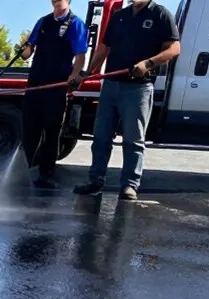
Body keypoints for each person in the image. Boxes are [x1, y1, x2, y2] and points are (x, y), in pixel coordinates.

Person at [72, 0, 181, 200]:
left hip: (138, 89)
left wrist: (148, 64)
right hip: (111, 85)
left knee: (133, 140)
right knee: (101, 137)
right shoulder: (119, 16)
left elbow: (174, 48)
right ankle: (95, 180)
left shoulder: (161, 14)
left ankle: (130, 185)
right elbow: (104, 48)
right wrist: (87, 72)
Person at [19, 0, 89, 190]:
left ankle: (45, 176)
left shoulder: (75, 23)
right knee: (29, 131)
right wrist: (23, 50)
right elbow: (29, 49)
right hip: (35, 85)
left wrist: (75, 74)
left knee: (51, 132)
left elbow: (80, 53)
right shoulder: (43, 22)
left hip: (56, 86)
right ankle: (23, 173)